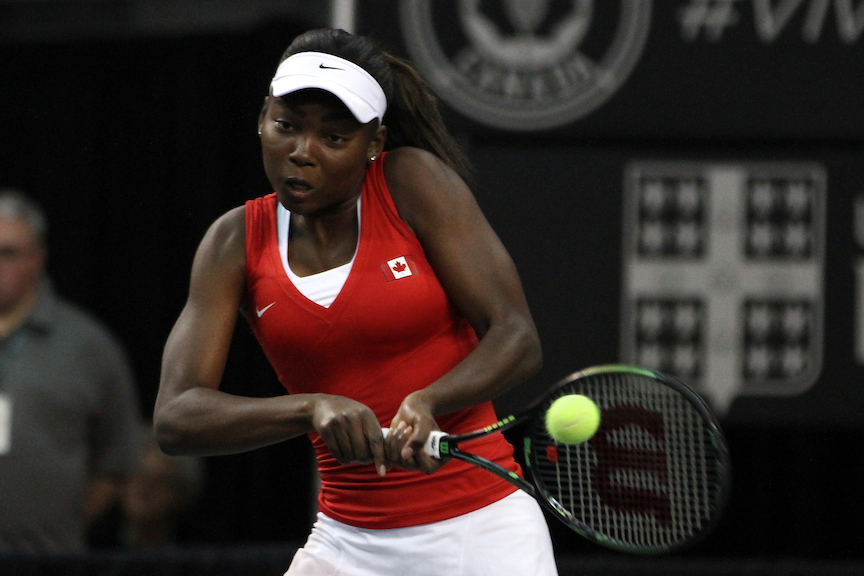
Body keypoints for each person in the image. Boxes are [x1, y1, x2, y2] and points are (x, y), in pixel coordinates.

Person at [154, 28, 557, 575]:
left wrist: (429, 400)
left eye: (334, 138)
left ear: (374, 143)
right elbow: (176, 418)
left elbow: (517, 337)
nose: (301, 152)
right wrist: (311, 407)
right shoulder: (233, 242)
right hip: (347, 544)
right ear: (261, 118)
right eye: (286, 127)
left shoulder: (412, 183)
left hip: (482, 533)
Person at [0, 188, 143, 552]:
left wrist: (61, 525)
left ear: (38, 259)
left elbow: (118, 461)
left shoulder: (87, 346)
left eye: (8, 253)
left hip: (46, 558)